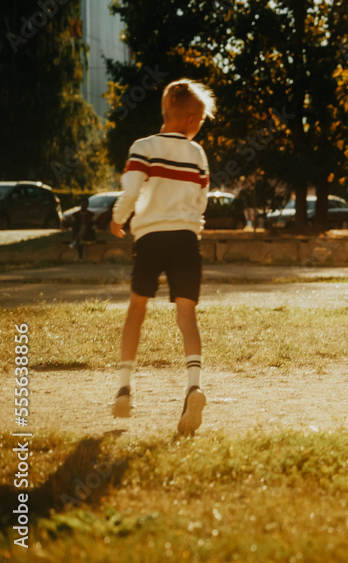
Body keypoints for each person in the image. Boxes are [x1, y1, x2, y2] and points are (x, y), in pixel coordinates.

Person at [109, 79, 215, 435]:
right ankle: (193, 386)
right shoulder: (198, 153)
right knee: (187, 316)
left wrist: (119, 218)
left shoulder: (143, 147)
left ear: (165, 112)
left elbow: (131, 189)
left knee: (136, 310)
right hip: (186, 239)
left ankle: (124, 388)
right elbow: (201, 200)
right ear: (190, 120)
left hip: (151, 239)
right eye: (199, 119)